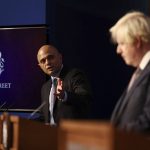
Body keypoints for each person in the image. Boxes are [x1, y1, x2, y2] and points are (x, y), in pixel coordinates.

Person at [109, 11, 150, 132]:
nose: (118, 50)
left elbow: (147, 121)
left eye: (122, 43)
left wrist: (115, 135)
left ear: (137, 41)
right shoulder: (140, 71)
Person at [37, 44, 92, 125]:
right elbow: (44, 117)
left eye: (50, 57)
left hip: (71, 134)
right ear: (40, 66)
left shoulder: (74, 75)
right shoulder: (45, 88)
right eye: (43, 61)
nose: (47, 62)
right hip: (50, 135)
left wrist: (65, 95)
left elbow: (85, 98)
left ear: (60, 57)